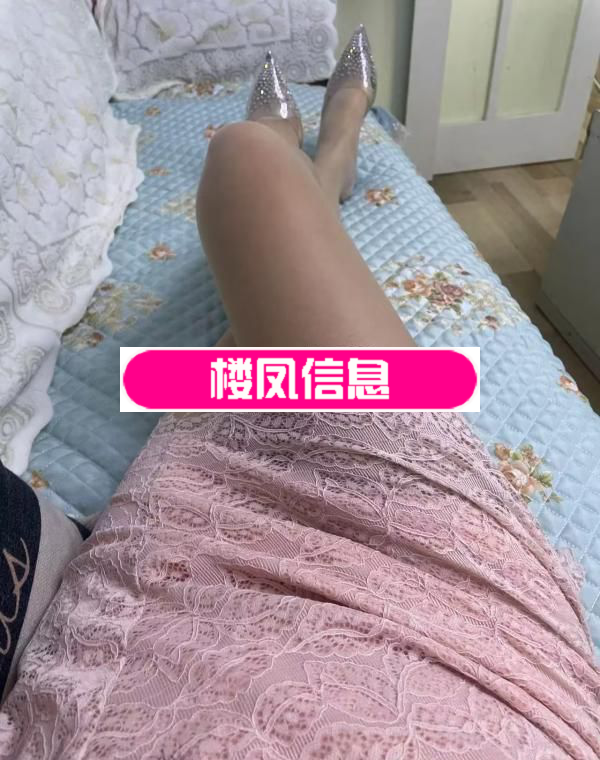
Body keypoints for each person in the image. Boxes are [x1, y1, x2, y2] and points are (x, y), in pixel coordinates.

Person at [1, 27, 599, 760]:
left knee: (244, 158)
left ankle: (319, 164)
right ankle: (334, 151)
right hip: (451, 609)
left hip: (153, 596)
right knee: (248, 160)